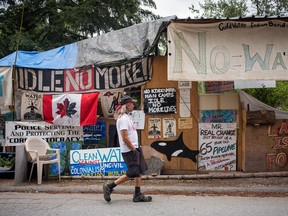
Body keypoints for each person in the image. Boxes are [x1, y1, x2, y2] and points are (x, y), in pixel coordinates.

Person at [103, 95, 152, 203]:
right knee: (132, 172)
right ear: (127, 105)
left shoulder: (127, 117)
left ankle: (137, 195)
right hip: (130, 150)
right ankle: (109, 186)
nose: (133, 105)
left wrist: (136, 148)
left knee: (138, 171)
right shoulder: (123, 119)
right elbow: (125, 137)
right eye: (132, 103)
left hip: (134, 148)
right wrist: (133, 149)